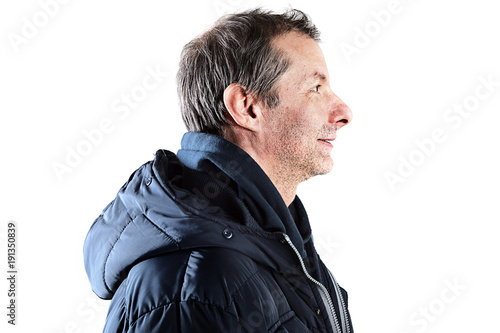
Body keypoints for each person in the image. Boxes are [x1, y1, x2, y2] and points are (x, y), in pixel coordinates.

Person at [84, 8, 353, 333]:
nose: (343, 112)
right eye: (316, 88)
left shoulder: (279, 248)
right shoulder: (192, 286)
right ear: (247, 107)